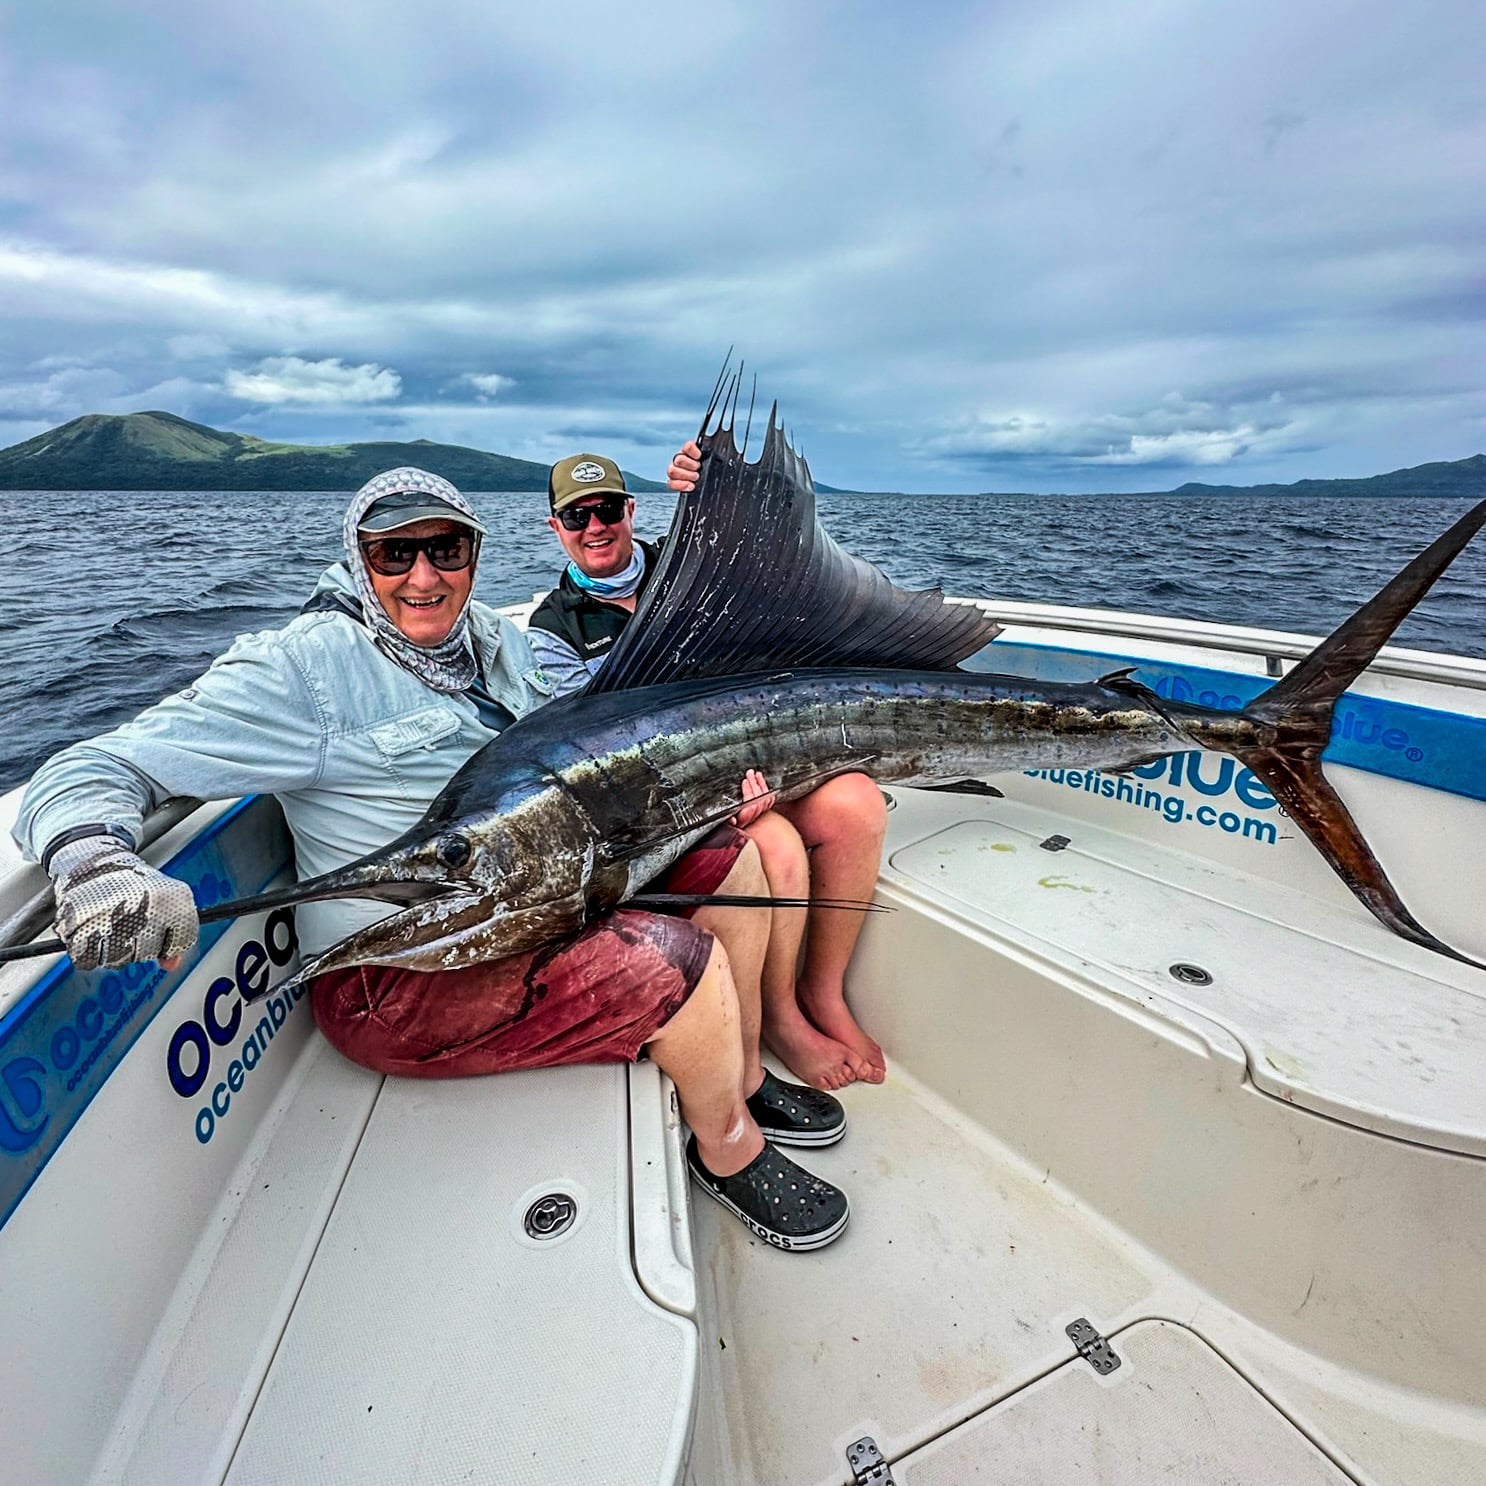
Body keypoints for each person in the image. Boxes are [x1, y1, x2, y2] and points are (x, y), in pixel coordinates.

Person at [14, 467, 850, 1251]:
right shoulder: (301, 670)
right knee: (679, 964)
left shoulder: (494, 641)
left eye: (445, 550)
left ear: (475, 554)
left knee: (737, 860)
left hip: (524, 908)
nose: (423, 578)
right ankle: (728, 1147)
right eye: (393, 553)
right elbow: (93, 766)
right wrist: (91, 862)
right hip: (396, 978)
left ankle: (737, 1076)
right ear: (359, 557)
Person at [526, 449, 889, 1093]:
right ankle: (780, 1017)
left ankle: (824, 992)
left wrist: (727, 481)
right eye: (576, 516)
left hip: (763, 762)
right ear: (556, 528)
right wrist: (718, 796)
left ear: (631, 510)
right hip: (671, 807)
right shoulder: (552, 630)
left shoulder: (687, 566)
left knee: (856, 803)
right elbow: (603, 767)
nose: (594, 527)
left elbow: (782, 542)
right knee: (772, 843)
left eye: (607, 509)